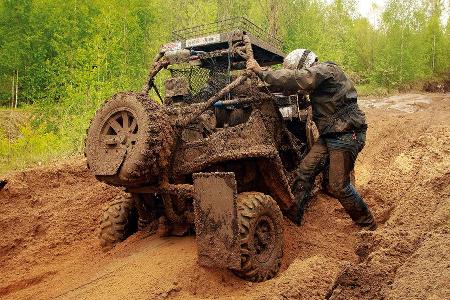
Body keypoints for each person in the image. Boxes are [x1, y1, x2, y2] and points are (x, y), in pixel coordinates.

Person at [247, 49, 377, 230]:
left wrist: (262, 72)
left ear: (304, 66)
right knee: (305, 171)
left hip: (346, 134)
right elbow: (295, 86)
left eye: (297, 71)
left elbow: (298, 79)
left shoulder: (326, 70)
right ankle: (293, 219)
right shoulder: (321, 80)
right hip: (331, 134)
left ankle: (368, 225)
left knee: (338, 185)